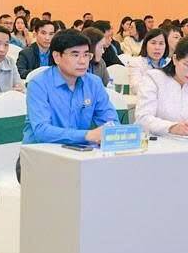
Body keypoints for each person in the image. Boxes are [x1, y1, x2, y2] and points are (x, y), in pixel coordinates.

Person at [19, 30, 119, 179]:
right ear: (57, 56)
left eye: (86, 54)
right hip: (39, 158)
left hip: (78, 157)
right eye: (75, 54)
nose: (83, 61)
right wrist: (88, 135)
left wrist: (107, 132)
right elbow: (42, 131)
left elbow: (111, 123)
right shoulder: (39, 84)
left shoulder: (94, 83)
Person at [135, 36, 188, 136]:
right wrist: (172, 127)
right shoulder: (153, 78)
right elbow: (143, 118)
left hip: (184, 142)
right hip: (154, 141)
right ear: (175, 59)